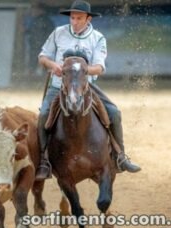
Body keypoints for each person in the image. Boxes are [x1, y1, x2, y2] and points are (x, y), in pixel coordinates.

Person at [35, 0, 141, 180]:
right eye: (72, 18)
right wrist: (53, 65)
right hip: (58, 86)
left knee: (114, 113)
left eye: (79, 18)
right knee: (44, 115)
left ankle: (120, 155)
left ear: (88, 19)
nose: (74, 21)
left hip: (86, 87)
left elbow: (99, 67)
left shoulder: (97, 38)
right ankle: (43, 160)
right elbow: (42, 56)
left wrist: (79, 69)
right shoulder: (58, 33)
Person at [27, 3, 54, 76]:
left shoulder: (44, 21)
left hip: (39, 47)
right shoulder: (38, 20)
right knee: (35, 66)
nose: (33, 11)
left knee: (38, 66)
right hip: (37, 46)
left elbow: (48, 35)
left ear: (40, 10)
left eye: (34, 9)